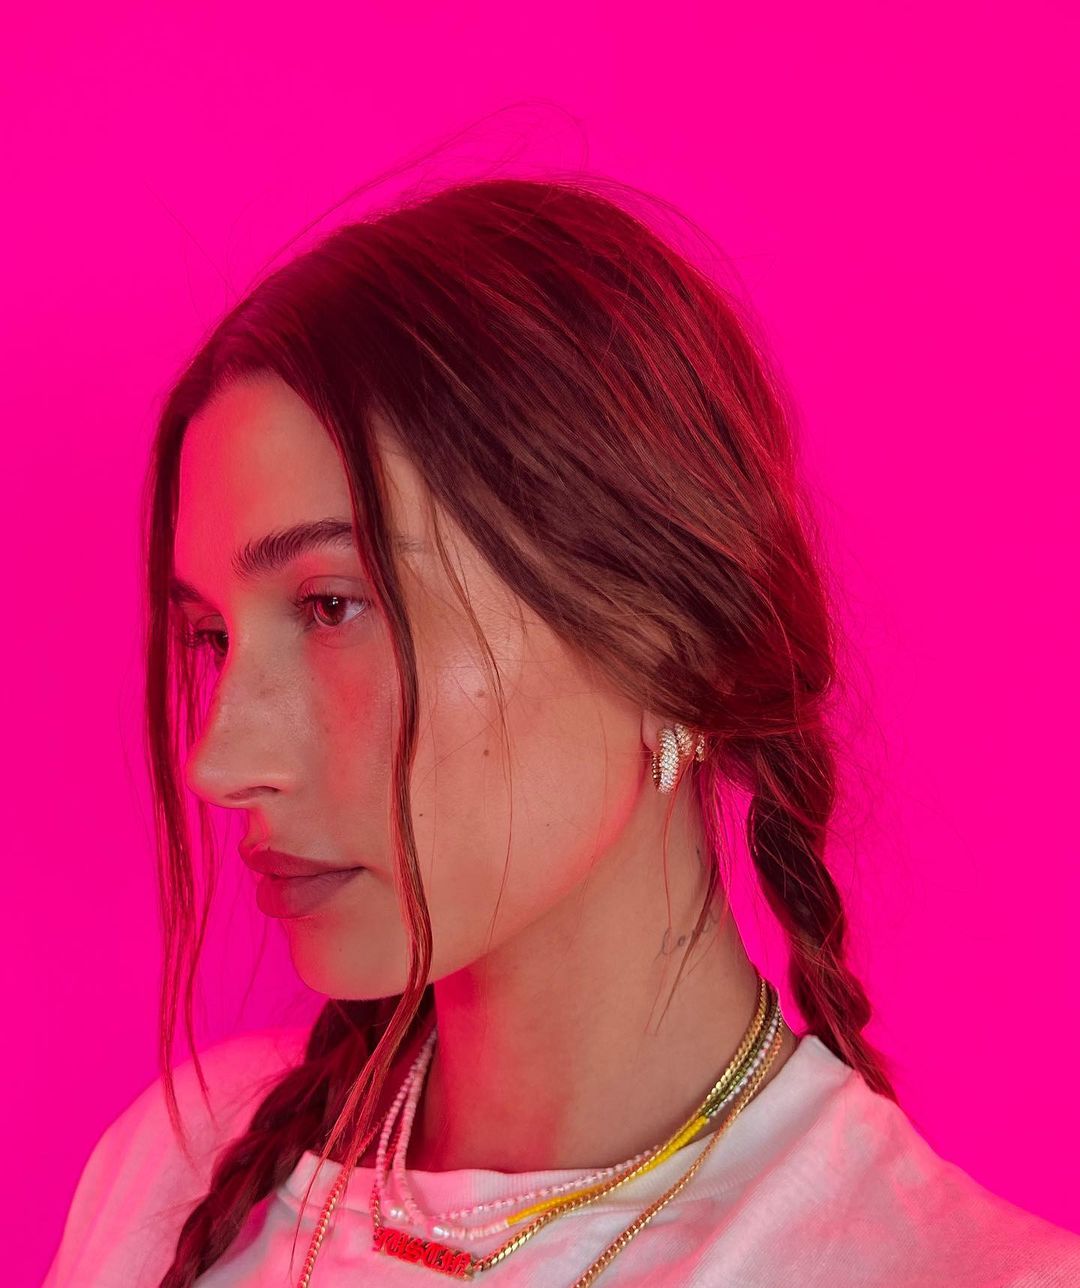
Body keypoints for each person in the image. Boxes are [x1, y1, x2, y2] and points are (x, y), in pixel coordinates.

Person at [45, 176, 1080, 1287]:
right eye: (212, 637)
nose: (217, 763)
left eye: (332, 605)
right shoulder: (175, 1168)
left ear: (664, 641)